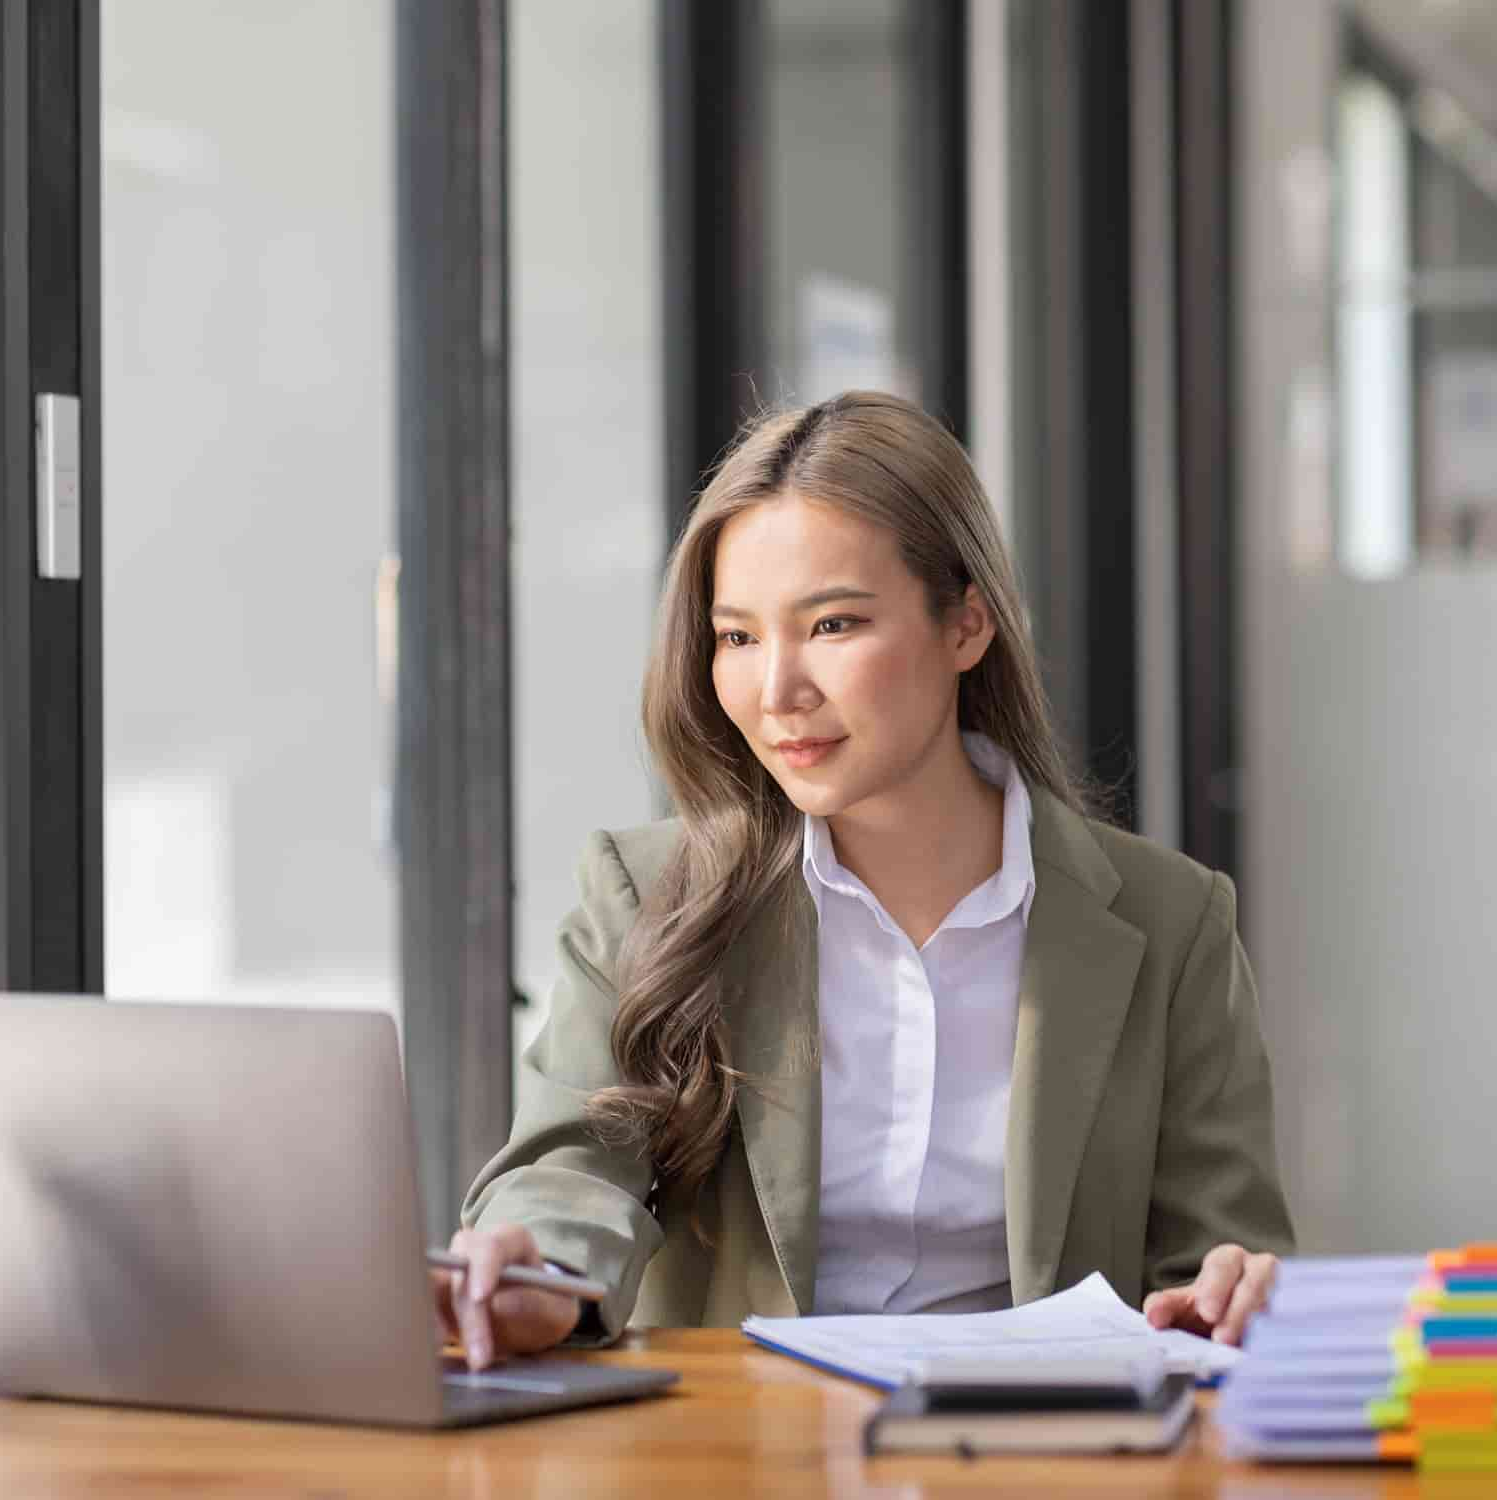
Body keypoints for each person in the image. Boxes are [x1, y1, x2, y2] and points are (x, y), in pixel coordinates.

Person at [433, 391, 1293, 1371]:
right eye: (738, 637)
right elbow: (574, 1172)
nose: (776, 691)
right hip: (744, 1458)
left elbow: (1216, 1250)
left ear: (966, 624)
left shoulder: (1170, 922)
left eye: (832, 624)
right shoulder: (644, 894)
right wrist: (534, 1276)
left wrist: (1227, 1289)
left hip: (1040, 1452)